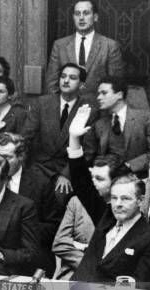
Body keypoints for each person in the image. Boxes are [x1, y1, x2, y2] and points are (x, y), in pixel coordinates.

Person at [72, 174, 150, 284]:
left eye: (125, 199)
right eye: (114, 198)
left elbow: (142, 286)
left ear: (140, 200)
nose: (118, 204)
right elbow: (82, 187)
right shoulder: (105, 218)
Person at [0, 133, 62, 276]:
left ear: (21, 157)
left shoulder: (41, 183)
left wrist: (18, 228)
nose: (0, 163)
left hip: (28, 255)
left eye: (7, 158)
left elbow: (53, 227)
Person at [23, 63, 96, 195]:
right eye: (63, 76)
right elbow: (26, 137)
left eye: (72, 78)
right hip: (39, 167)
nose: (66, 80)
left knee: (61, 195)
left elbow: (88, 150)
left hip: (67, 168)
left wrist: (67, 174)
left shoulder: (87, 109)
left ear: (82, 84)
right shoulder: (42, 103)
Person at [72, 76, 150, 175]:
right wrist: (65, 175)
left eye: (104, 93)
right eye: (98, 94)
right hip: (106, 180)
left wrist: (130, 166)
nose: (98, 97)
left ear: (119, 95)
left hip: (139, 178)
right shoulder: (99, 124)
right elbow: (87, 155)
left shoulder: (145, 117)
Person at [46, 0, 124, 96]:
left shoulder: (110, 46)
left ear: (95, 17)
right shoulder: (60, 45)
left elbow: (116, 85)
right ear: (73, 17)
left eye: (86, 13)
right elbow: (51, 84)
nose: (81, 18)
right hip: (67, 106)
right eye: (77, 14)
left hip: (97, 107)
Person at [52, 195, 95, 279]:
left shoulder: (122, 207)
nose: (94, 182)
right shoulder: (77, 201)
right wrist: (88, 265)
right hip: (74, 270)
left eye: (100, 180)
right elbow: (59, 243)